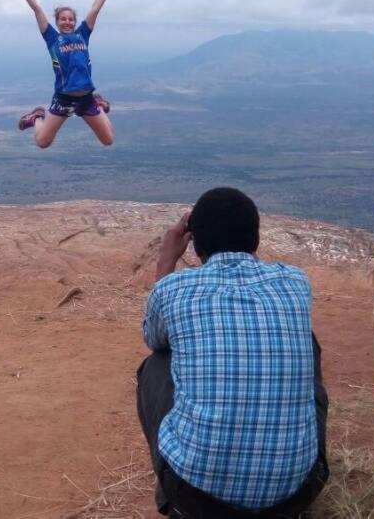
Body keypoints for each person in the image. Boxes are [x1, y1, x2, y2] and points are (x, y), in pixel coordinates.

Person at [136, 188, 330, 519]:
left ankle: (175, 498)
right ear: (255, 237)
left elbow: (154, 338)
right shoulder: (296, 282)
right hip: (296, 493)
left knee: (156, 364)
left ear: (194, 242)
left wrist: (166, 259)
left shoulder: (173, 289)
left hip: (198, 498)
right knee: (307, 345)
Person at [9, 0, 116, 149]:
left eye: (71, 19)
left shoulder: (83, 34)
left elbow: (94, 10)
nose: (67, 22)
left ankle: (98, 105)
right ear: (57, 22)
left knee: (108, 140)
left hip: (86, 97)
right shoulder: (52, 38)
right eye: (63, 19)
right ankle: (36, 118)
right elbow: (37, 9)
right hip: (63, 98)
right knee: (43, 142)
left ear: (75, 22)